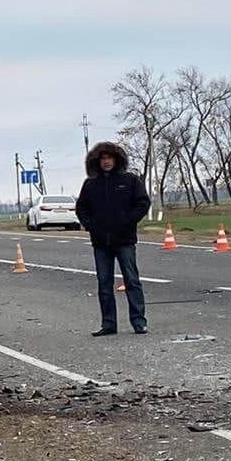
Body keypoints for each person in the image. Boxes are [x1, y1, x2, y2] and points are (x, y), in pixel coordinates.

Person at [75, 142, 151, 336]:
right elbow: (81, 208)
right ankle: (109, 323)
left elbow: (143, 203)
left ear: (116, 160)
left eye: (110, 158)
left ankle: (139, 322)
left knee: (132, 281)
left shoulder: (130, 181)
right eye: (103, 158)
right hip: (101, 242)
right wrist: (91, 225)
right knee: (104, 283)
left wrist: (128, 221)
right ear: (97, 161)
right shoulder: (91, 185)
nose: (106, 162)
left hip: (125, 240)